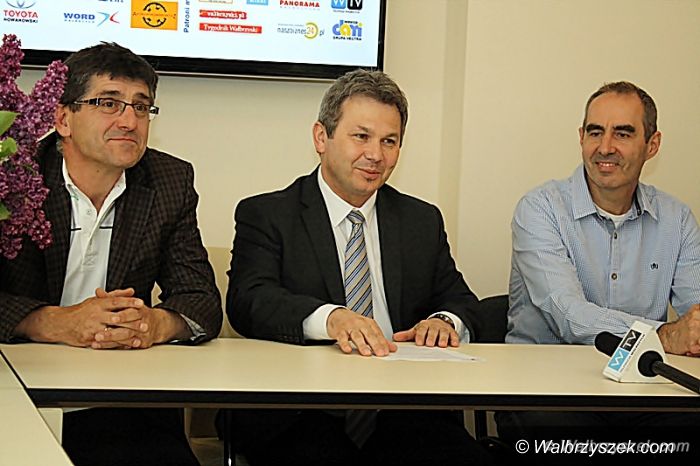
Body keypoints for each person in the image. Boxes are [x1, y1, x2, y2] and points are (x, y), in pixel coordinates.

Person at [225, 69, 493, 466]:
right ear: (322, 137)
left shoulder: (420, 220)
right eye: (361, 136)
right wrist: (331, 319)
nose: (376, 155)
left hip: (404, 412)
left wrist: (444, 321)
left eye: (389, 141)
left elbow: (463, 301)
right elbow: (249, 300)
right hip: (300, 411)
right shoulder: (267, 214)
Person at [0, 42, 223, 466]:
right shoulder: (14, 174)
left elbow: (200, 300)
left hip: (122, 399)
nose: (129, 120)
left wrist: (153, 324)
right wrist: (54, 322)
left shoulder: (169, 180)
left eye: (141, 107)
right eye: (108, 103)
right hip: (17, 391)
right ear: (62, 118)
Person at [497, 81, 700, 462]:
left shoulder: (677, 220)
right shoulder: (540, 209)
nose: (605, 147)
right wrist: (664, 335)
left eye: (622, 133)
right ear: (581, 137)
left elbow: (696, 312)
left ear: (652, 145)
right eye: (595, 132)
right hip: (550, 392)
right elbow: (570, 315)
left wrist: (690, 331)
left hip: (644, 388)